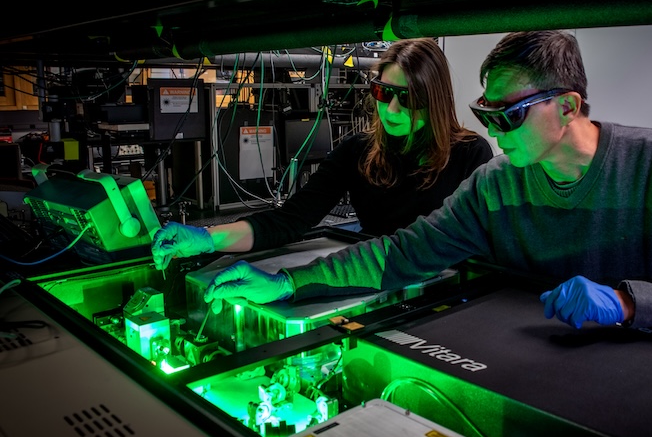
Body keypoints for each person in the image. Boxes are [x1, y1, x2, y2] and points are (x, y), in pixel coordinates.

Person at [202, 30, 652, 332]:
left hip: (644, 361)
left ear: (568, 106)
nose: (494, 133)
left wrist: (630, 302)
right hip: (533, 358)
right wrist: (288, 283)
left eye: (510, 115)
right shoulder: (495, 184)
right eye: (486, 114)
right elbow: (403, 254)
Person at [151, 38, 494, 269]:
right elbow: (289, 221)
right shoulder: (357, 151)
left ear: (434, 100)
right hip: (371, 276)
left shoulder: (469, 154)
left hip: (438, 286)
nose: (391, 110)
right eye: (383, 92)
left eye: (407, 98)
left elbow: (471, 243)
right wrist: (206, 239)